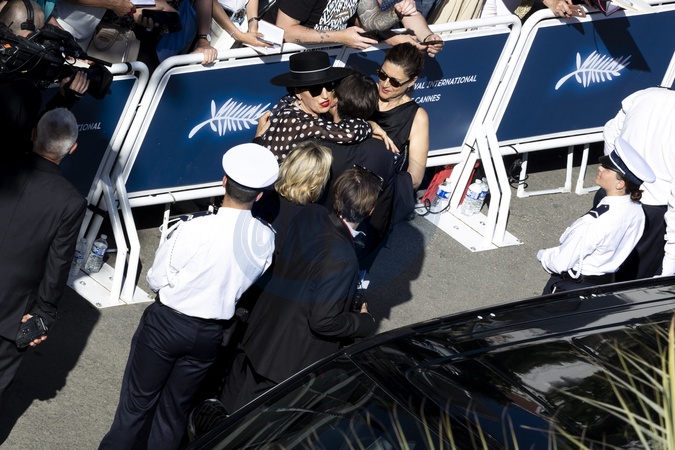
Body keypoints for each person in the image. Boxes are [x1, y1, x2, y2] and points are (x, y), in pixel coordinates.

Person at [98, 143, 279, 450]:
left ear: (224, 181)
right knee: (173, 415)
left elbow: (156, 279)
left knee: (134, 409)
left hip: (166, 325)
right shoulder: (265, 238)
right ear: (259, 196)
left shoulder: (194, 229)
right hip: (209, 334)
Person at [219, 166, 380, 414]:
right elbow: (324, 321)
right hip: (283, 362)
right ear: (370, 211)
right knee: (244, 425)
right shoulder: (344, 259)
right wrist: (363, 322)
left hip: (259, 335)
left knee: (224, 410)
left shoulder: (310, 214)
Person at [0, 108, 86, 406]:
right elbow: (58, 264)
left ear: (34, 134)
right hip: (10, 317)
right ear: (72, 149)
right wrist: (43, 315)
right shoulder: (71, 202)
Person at [537, 137, 655, 294]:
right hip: (605, 286)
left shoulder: (594, 222)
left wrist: (544, 255)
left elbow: (560, 263)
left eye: (607, 169)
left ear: (620, 184)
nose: (600, 168)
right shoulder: (637, 212)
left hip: (571, 287)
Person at [0, 0, 90, 160]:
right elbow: (30, 147)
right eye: (42, 34)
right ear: (28, 37)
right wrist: (64, 99)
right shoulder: (23, 93)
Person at [321, 71, 396, 257]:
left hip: (314, 237)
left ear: (335, 102)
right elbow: (382, 211)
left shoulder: (320, 146)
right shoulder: (385, 152)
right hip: (353, 247)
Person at [602, 86, 675, 279]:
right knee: (630, 282)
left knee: (597, 262)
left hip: (614, 193)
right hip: (652, 213)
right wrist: (671, 257)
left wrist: (615, 174)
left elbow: (610, 131)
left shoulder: (646, 94)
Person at [254, 50, 373, 162]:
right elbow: (349, 134)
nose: (325, 95)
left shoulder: (287, 102)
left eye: (329, 86)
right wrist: (370, 125)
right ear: (298, 92)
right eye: (315, 89)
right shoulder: (303, 123)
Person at [370, 42, 428, 191]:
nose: (385, 84)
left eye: (395, 82)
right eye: (382, 75)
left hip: (380, 189)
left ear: (412, 81)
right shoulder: (364, 91)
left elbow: (415, 178)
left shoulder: (416, 117)